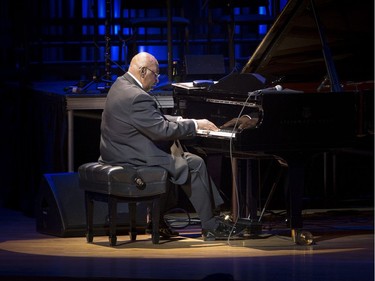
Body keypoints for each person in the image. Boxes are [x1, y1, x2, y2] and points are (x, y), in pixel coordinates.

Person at [99, 52, 243, 241]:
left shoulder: (121, 85)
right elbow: (161, 130)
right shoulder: (137, 96)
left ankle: (165, 221)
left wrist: (187, 120)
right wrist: (195, 125)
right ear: (143, 71)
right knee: (194, 163)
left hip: (117, 152)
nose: (157, 80)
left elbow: (150, 120)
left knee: (183, 159)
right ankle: (210, 225)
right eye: (156, 74)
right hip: (131, 157)